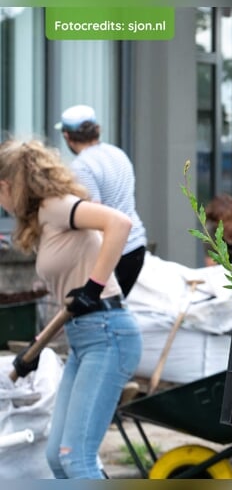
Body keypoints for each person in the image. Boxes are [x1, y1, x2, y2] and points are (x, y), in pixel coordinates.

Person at [0, 138, 142, 479]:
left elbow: (119, 224)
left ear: (6, 185)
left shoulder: (56, 206)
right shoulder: (45, 220)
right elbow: (71, 299)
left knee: (76, 458)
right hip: (85, 338)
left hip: (108, 334)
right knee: (57, 456)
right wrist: (37, 347)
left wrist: (93, 287)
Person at [56, 104, 148, 297]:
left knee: (99, 316)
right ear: (97, 130)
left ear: (66, 136)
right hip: (136, 246)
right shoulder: (118, 153)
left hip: (113, 253)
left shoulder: (81, 167)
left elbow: (94, 215)